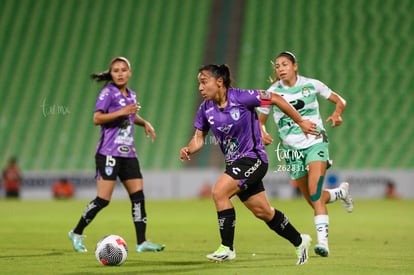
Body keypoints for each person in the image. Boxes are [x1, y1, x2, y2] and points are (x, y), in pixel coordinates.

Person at [179, 64, 320, 265]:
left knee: (219, 192)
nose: (200, 88)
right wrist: (189, 149)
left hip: (253, 158)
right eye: (199, 84)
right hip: (235, 164)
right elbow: (199, 138)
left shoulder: (242, 97)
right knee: (264, 212)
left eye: (204, 82)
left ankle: (227, 248)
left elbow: (276, 99)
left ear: (219, 82)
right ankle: (300, 241)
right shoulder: (205, 108)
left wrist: (301, 122)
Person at [258, 51, 353, 258]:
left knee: (315, 192)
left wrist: (337, 114)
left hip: (315, 142)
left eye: (285, 64)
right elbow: (261, 122)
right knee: (311, 198)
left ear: (294, 66)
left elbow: (341, 101)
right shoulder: (270, 93)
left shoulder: (312, 84)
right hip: (291, 149)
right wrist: (263, 134)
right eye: (277, 66)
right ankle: (339, 193)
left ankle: (323, 244)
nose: (281, 68)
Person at [68, 56, 165, 253]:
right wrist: (122, 112)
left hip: (128, 153)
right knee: (103, 199)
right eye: (116, 70)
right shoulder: (107, 92)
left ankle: (141, 242)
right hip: (108, 153)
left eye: (123, 70)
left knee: (138, 197)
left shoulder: (132, 94)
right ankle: (76, 232)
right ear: (111, 74)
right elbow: (97, 118)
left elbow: (130, 114)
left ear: (130, 72)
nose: (120, 73)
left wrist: (144, 122)